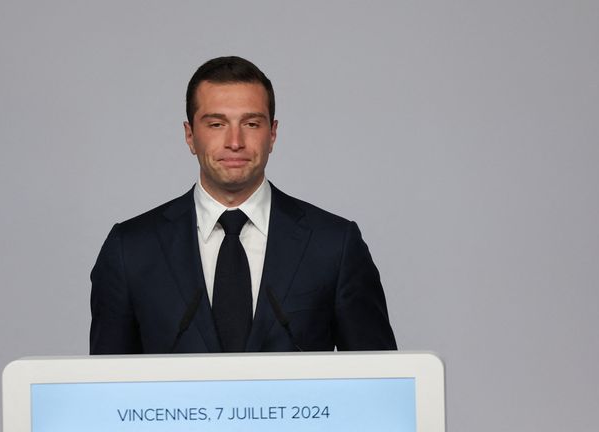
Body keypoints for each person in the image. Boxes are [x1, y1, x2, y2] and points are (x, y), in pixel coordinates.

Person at [89, 56, 396, 354]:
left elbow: (382, 385)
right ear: (189, 136)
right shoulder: (130, 249)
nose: (234, 141)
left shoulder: (334, 245)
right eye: (216, 124)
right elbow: (105, 389)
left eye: (251, 124)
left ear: (272, 134)